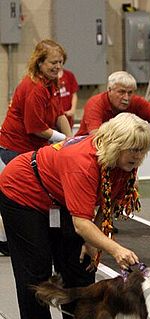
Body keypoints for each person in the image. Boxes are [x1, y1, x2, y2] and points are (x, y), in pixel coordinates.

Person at [0, 113, 150, 319]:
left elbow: (106, 205)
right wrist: (115, 249)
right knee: (36, 269)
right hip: (22, 192)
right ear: (116, 144)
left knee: (81, 266)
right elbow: (81, 223)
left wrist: (94, 242)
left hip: (58, 198)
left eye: (142, 150)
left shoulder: (125, 165)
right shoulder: (82, 162)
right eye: (133, 149)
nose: (138, 156)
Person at [0, 39, 73, 256]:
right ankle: (7, 241)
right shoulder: (34, 88)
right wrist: (64, 140)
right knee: (22, 198)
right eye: (53, 62)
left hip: (31, 151)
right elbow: (36, 128)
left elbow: (60, 114)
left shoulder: (52, 84)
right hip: (13, 150)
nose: (58, 67)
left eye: (61, 62)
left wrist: (71, 139)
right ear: (39, 63)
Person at [76, 70, 150, 136]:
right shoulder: (95, 103)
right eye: (121, 92)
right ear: (109, 90)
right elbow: (95, 135)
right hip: (86, 149)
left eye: (130, 93)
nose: (126, 98)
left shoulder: (135, 101)